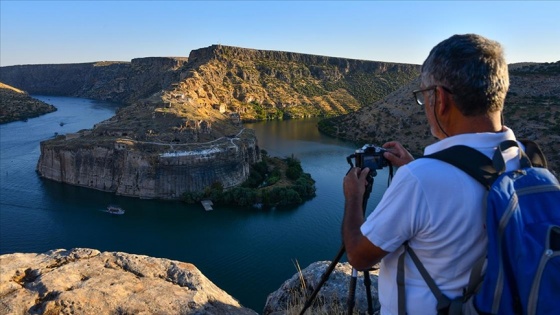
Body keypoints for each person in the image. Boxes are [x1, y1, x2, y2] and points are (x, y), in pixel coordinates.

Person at [342, 33, 520, 314]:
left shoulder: (421, 181)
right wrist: (417, 166)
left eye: (422, 96)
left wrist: (354, 197)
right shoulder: (526, 159)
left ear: (439, 98)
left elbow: (359, 256)